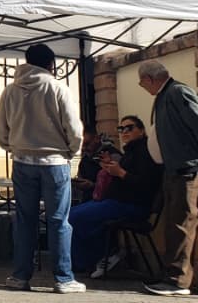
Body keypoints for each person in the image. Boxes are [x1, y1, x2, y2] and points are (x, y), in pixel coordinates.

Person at [0, 43, 85, 293]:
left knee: (25, 220)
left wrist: (12, 147)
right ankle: (64, 278)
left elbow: (0, 130)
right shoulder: (58, 88)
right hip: (54, 162)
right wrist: (71, 151)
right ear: (51, 64)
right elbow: (74, 128)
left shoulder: (10, 91)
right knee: (58, 220)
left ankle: (20, 276)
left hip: (22, 161)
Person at [137, 59, 198, 296]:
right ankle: (169, 274)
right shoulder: (165, 95)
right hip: (173, 169)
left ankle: (178, 280)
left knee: (182, 224)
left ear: (150, 79)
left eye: (142, 83)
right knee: (174, 225)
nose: (143, 87)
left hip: (185, 169)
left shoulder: (178, 92)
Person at [67, 116, 161, 276]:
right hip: (116, 201)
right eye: (121, 129)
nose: (124, 132)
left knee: (75, 217)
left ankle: (98, 257)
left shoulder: (145, 152)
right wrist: (110, 169)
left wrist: (120, 172)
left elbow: (146, 184)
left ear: (141, 130)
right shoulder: (130, 152)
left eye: (129, 128)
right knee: (72, 214)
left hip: (132, 205)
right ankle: (91, 258)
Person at [71, 129, 106, 204]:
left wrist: (92, 185)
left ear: (96, 139)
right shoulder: (85, 158)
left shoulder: (110, 155)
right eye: (81, 146)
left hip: (104, 200)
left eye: (86, 144)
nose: (84, 148)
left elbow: (116, 187)